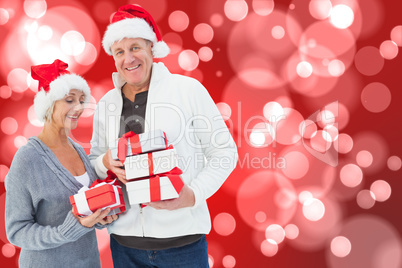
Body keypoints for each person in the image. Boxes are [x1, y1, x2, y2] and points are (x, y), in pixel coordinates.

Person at [89, 4, 238, 267]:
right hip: (125, 247)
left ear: (151, 48)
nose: (128, 59)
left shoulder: (188, 90)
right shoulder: (106, 104)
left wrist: (192, 195)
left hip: (183, 245)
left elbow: (225, 152)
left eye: (135, 47)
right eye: (119, 51)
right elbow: (93, 162)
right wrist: (104, 162)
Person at [5, 59, 117, 268]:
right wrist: (67, 230)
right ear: (49, 102)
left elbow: (85, 209)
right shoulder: (27, 159)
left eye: (82, 100)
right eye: (69, 100)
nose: (78, 107)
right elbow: (17, 231)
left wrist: (100, 217)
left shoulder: (78, 150)